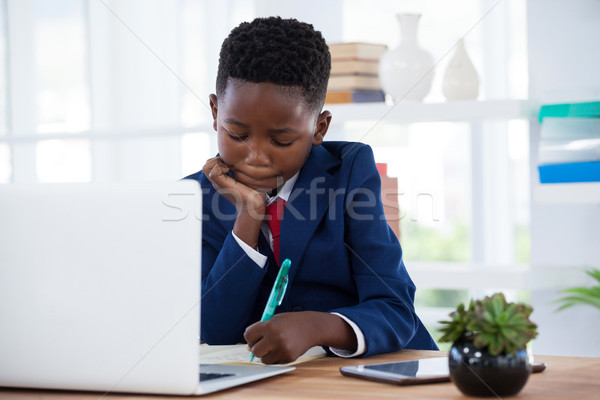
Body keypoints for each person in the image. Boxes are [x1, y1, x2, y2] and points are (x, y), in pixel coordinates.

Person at [185, 16, 437, 364]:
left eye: (282, 139)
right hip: (269, 384)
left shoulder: (348, 172)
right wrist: (248, 217)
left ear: (319, 129)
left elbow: (395, 308)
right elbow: (215, 328)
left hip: (371, 373)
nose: (256, 157)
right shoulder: (195, 197)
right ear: (215, 113)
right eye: (237, 135)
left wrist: (319, 327)